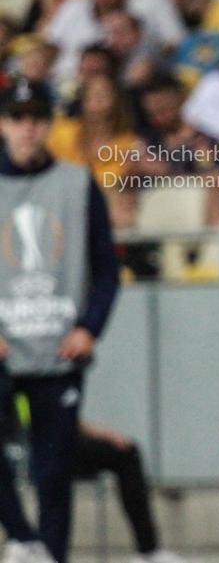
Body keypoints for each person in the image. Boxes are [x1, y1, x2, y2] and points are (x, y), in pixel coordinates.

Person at [0, 79, 119, 563]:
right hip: (4, 349)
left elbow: (106, 267)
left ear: (49, 125)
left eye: (36, 118)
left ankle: (50, 554)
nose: (27, 128)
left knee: (54, 470)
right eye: (17, 118)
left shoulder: (77, 183)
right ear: (3, 124)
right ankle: (23, 536)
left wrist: (89, 326)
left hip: (57, 347)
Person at [73, 421, 188, 563]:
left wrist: (102, 434)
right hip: (50, 448)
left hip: (62, 443)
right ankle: (46, 547)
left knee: (127, 453)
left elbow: (66, 416)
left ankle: (149, 549)